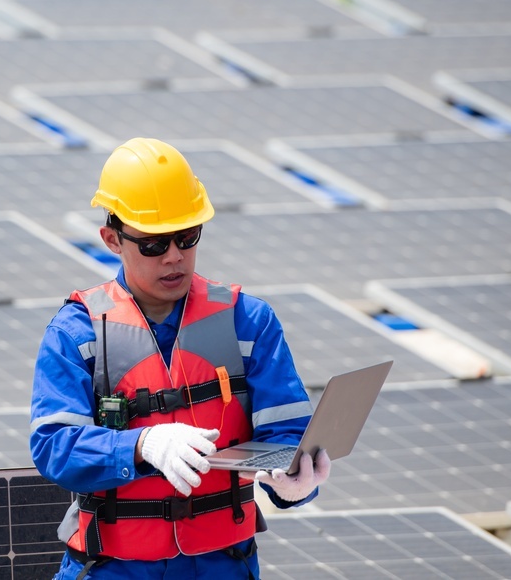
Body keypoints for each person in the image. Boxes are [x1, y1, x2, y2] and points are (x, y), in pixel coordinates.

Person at [29, 137, 330, 579]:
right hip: (111, 568)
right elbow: (54, 445)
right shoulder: (76, 333)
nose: (174, 256)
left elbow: (288, 434)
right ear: (112, 239)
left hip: (223, 565)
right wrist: (140, 445)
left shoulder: (249, 322)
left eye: (188, 237)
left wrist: (297, 484)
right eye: (154, 243)